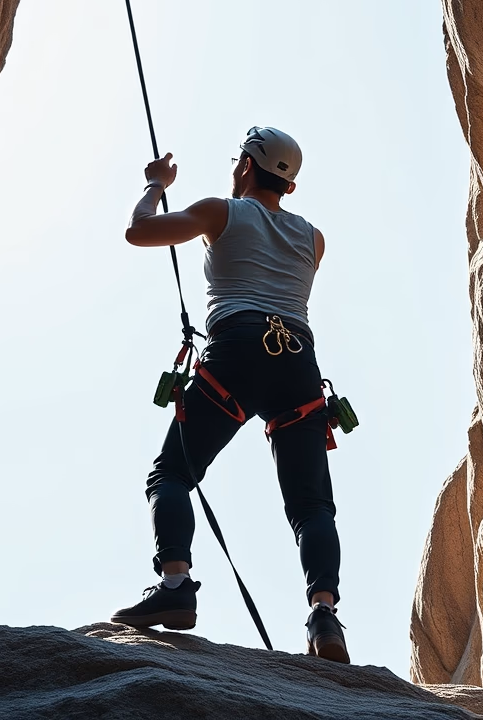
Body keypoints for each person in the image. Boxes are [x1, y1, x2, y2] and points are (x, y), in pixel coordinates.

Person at [109, 127, 348, 664]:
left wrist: (155, 185)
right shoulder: (314, 238)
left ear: (244, 166)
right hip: (297, 362)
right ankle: (325, 615)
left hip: (237, 348)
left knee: (170, 475)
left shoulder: (221, 212)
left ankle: (175, 587)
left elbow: (138, 231)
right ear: (289, 186)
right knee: (312, 506)